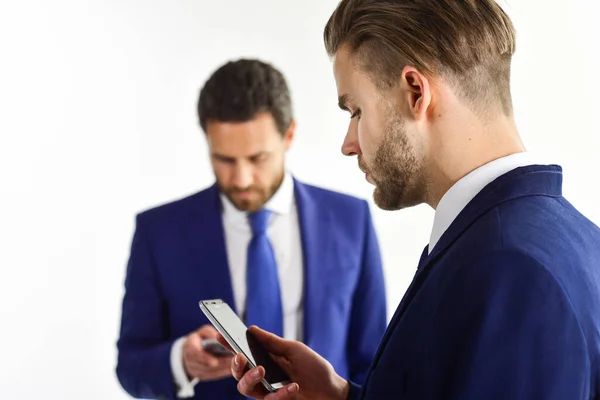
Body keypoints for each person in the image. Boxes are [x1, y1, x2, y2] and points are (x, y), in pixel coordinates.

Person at [227, 1, 600, 399]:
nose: (348, 144)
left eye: (355, 110)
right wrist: (341, 396)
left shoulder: (509, 268)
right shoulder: (564, 237)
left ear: (416, 91)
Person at [115, 58, 387, 400]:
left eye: (258, 158)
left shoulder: (351, 218)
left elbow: (374, 359)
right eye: (224, 159)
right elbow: (130, 363)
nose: (241, 179)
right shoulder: (158, 231)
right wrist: (180, 361)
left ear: (289, 134)